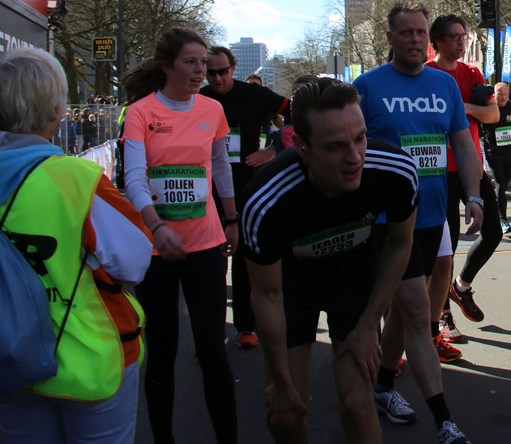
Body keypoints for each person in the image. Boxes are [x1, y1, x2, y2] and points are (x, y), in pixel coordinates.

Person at [242, 78, 417, 444]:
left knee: (357, 404)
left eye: (360, 138)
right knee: (287, 414)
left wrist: (369, 325)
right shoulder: (266, 200)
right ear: (301, 146)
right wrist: (279, 382)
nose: (354, 157)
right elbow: (267, 295)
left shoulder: (395, 171)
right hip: (291, 287)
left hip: (352, 278)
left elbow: (400, 244)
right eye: (335, 146)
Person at [0, 48, 152, 444]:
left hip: (4, 357)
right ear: (55, 111)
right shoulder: (76, 179)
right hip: (88, 359)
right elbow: (134, 262)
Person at [353, 3, 479, 444]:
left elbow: (462, 144)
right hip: (386, 222)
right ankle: (444, 421)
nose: (414, 39)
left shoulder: (444, 85)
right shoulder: (366, 87)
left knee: (407, 312)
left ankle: (383, 386)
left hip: (431, 217)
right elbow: (348, 148)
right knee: (417, 312)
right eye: (405, 32)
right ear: (390, 37)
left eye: (420, 32)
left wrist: (474, 195)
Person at [121, 27, 239, 444]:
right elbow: (134, 179)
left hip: (205, 242)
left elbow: (220, 165)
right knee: (162, 350)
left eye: (203, 63)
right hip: (156, 248)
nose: (200, 70)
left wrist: (231, 218)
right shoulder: (140, 113)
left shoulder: (212, 109)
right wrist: (156, 225)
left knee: (212, 348)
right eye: (191, 62)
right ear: (166, 67)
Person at [201, 46, 289, 349]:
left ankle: (245, 326)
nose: (217, 78)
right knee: (209, 261)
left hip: (247, 185)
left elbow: (296, 113)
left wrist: (273, 149)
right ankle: (211, 333)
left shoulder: (252, 94)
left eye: (222, 72)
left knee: (242, 257)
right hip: (208, 188)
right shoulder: (199, 98)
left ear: (233, 68)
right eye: (211, 73)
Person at [425, 14, 502, 344]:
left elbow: (493, 114)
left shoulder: (472, 73)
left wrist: (463, 107)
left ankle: (462, 285)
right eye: (454, 36)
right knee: (446, 247)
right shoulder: (425, 73)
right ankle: (443, 314)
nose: (461, 41)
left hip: (471, 167)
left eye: (463, 36)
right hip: (438, 170)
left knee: (494, 232)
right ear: (438, 41)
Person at [483, 82, 511, 233]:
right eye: (500, 94)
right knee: (501, 184)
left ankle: (493, 208)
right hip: (493, 153)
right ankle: (503, 220)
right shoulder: (487, 108)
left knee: (504, 184)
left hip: (509, 153)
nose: (503, 97)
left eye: (505, 95)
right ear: (494, 94)